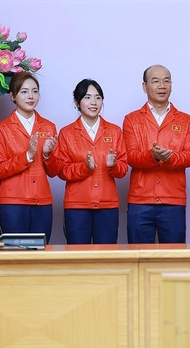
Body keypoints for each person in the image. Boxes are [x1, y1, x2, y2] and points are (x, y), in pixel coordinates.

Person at [123, 65, 190, 244]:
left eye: (166, 81)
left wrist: (170, 157)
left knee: (172, 261)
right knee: (138, 258)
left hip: (173, 200)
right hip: (140, 200)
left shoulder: (186, 120)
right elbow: (130, 156)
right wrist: (152, 156)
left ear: (171, 85)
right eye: (155, 81)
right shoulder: (131, 119)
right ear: (144, 86)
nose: (162, 86)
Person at [46, 79, 128, 244]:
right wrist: (84, 168)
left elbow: (124, 168)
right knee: (78, 259)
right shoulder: (67, 133)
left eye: (98, 98)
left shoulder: (114, 131)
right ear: (77, 101)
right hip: (77, 206)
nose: (93, 102)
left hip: (107, 205)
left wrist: (113, 166)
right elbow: (61, 170)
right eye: (87, 97)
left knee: (106, 259)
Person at [0, 72, 58, 242]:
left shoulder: (49, 127)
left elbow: (54, 171)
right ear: (12, 96)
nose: (31, 96)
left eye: (35, 91)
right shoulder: (3, 128)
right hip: (12, 203)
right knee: (14, 256)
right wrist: (27, 155)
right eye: (24, 91)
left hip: (42, 202)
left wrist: (47, 154)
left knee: (39, 256)